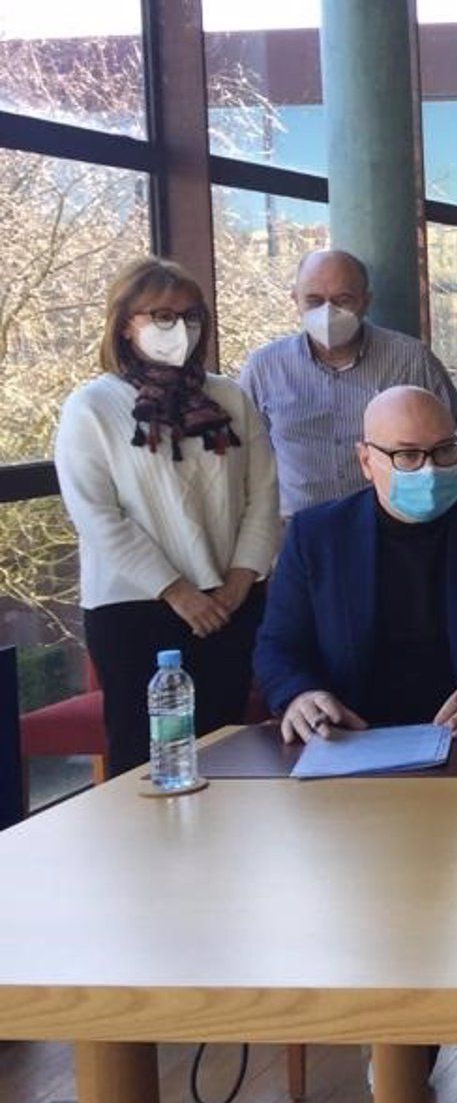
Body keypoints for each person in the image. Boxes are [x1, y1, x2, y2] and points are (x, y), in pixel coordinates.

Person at [54, 258, 280, 777]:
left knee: (228, 755)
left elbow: (263, 493)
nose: (179, 329)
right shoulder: (91, 406)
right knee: (145, 760)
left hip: (231, 601)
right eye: (160, 316)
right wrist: (178, 592)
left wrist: (239, 582)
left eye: (190, 315)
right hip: (138, 608)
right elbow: (97, 516)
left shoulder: (228, 396)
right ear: (125, 324)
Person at [253, 386, 457, 741]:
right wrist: (300, 694)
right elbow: (278, 646)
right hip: (353, 741)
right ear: (365, 461)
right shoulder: (317, 537)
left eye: (444, 451)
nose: (430, 469)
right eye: (407, 455)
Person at [238, 248, 457, 518]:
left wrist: (429, 516)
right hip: (295, 535)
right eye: (314, 300)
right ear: (295, 300)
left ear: (365, 301)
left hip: (393, 532)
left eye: (343, 300)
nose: (327, 312)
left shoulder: (411, 360)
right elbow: (243, 462)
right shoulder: (263, 368)